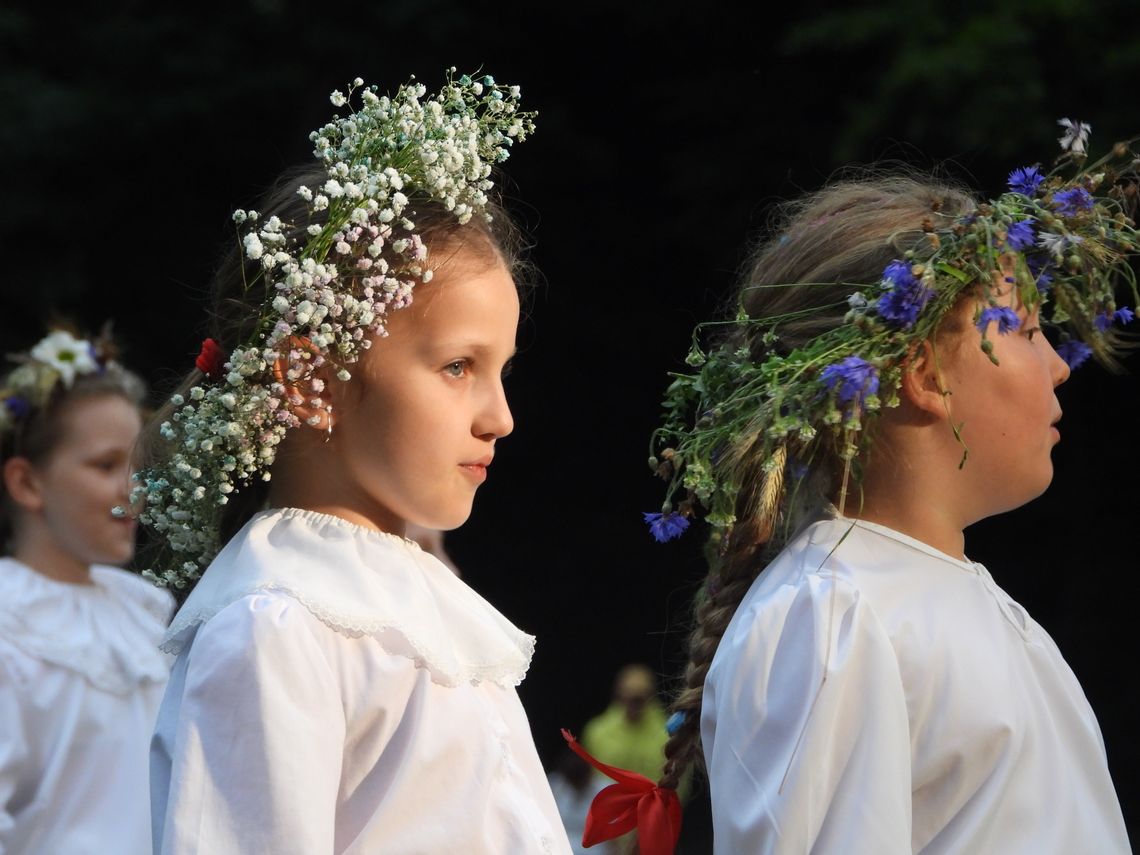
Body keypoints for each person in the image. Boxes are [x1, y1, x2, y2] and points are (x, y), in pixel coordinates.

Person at [585, 127, 1134, 854]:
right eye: (1026, 329)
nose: (1060, 367)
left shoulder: (963, 602)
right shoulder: (835, 613)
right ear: (924, 375)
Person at [137, 73, 571, 854]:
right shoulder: (278, 623)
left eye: (501, 370)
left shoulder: (414, 601)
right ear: (309, 380)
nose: (500, 416)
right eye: (457, 367)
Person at [0, 325, 174, 854]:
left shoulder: (142, 610)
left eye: (134, 465)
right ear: (27, 483)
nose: (133, 489)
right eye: (104, 465)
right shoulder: (10, 623)